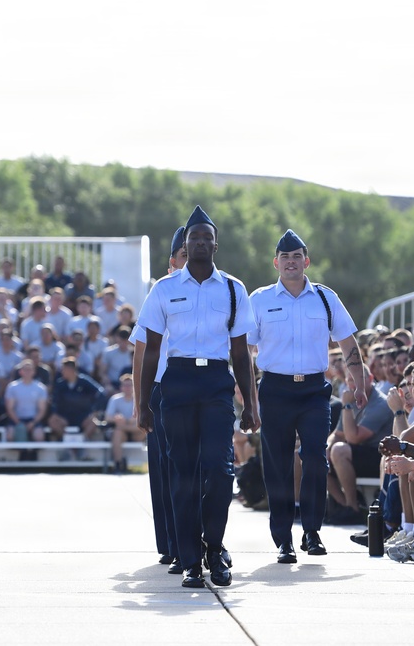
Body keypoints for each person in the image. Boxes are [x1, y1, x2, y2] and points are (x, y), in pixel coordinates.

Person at [137, 206, 258, 589]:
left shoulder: (234, 289)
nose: (201, 242)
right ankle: (190, 559)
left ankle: (215, 548)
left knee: (221, 472)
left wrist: (251, 404)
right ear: (185, 246)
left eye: (207, 237)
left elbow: (241, 353)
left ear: (215, 244)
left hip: (217, 385)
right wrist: (143, 403)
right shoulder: (165, 289)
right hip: (178, 382)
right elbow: (151, 349)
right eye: (194, 238)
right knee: (184, 475)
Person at [248, 229, 367, 563]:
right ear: (276, 263)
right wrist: (246, 393)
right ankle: (283, 538)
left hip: (314, 390)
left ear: (306, 260)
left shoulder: (326, 298)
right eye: (285, 257)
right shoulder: (260, 299)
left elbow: (348, 343)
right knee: (278, 465)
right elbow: (244, 348)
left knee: (315, 457)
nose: (291, 262)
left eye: (296, 256)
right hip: (274, 389)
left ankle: (312, 531)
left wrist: (357, 382)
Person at [131, 226, 186, 570]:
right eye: (182, 256)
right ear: (171, 262)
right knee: (164, 469)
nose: (189, 261)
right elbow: (141, 351)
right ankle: (169, 541)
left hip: (198, 389)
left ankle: (195, 538)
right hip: (162, 388)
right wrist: (141, 400)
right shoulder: (160, 292)